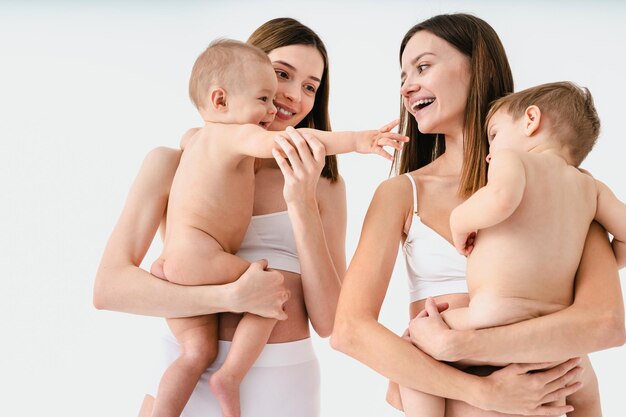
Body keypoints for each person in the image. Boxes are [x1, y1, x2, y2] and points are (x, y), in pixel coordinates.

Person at [94, 17, 392, 417]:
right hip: (185, 368)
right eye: (281, 75)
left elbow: (330, 323)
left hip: (281, 381)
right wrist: (229, 297)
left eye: (309, 87)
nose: (290, 96)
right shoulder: (176, 163)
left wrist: (301, 202)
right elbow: (108, 289)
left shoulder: (324, 185)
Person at [331, 13, 625, 417]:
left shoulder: (563, 186)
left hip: (557, 401)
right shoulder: (403, 193)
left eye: (423, 66)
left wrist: (458, 346)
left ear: (478, 68)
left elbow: (605, 322)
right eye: (402, 76)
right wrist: (481, 392)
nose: (407, 86)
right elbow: (350, 332)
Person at [397, 81, 626, 416]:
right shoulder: (592, 189)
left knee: (413, 347)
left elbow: (502, 198)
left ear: (531, 120)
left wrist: (460, 221)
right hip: (555, 333)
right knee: (582, 385)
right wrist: (610, 260)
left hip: (493, 316)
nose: (490, 151)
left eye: (494, 134)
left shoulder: (513, 160)